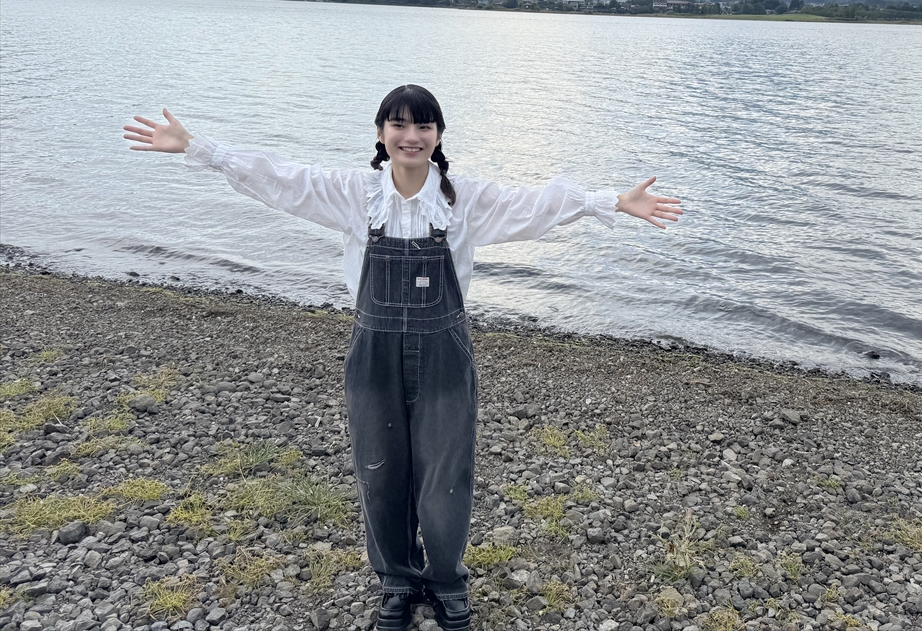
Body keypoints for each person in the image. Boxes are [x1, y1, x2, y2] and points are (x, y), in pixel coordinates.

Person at [122, 84, 682, 631]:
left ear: (438, 136)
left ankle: (446, 582)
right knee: (379, 471)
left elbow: (535, 203)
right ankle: (395, 581)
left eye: (423, 125)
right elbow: (281, 179)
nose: (411, 136)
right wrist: (198, 148)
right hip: (374, 351)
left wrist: (611, 201)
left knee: (445, 476)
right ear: (381, 132)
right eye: (399, 124)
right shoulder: (353, 194)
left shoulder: (464, 199)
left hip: (445, 352)